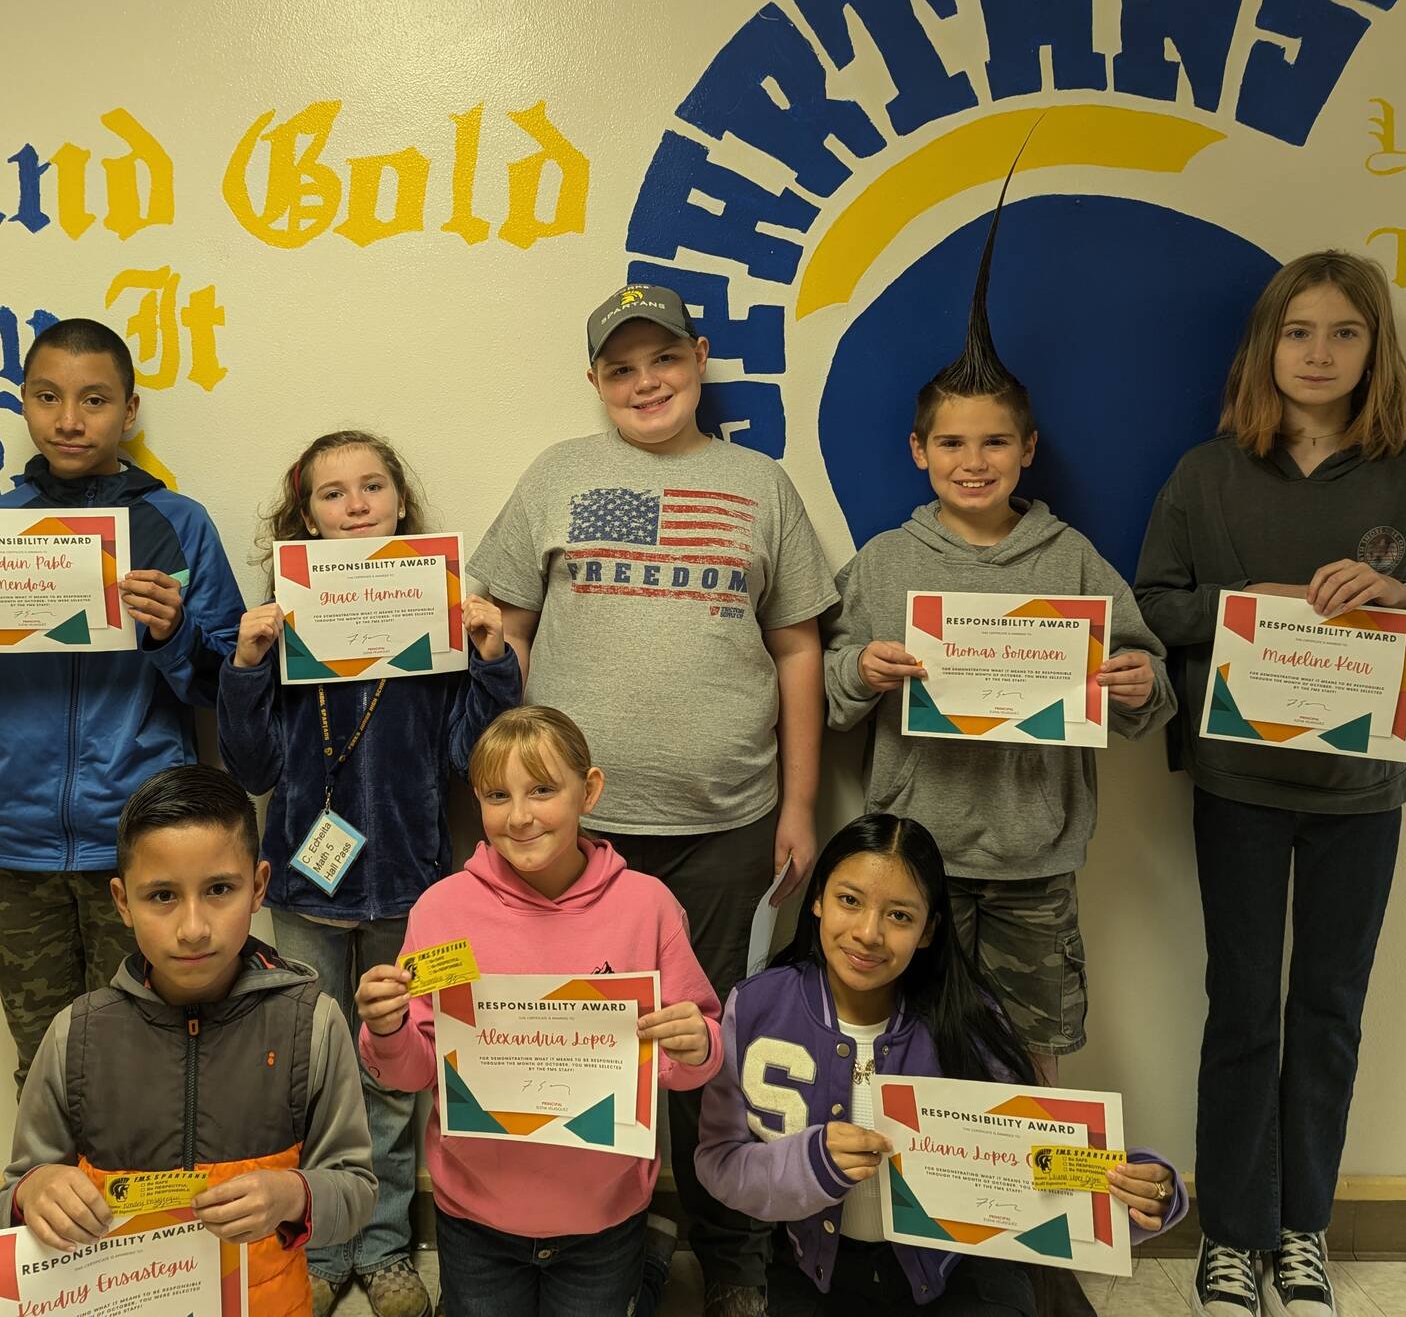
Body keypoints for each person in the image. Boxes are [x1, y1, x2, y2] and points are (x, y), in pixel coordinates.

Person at [470, 285, 838, 1315]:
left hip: (726, 822)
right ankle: (609, 1246)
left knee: (705, 1047)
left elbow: (798, 644)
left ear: (699, 359)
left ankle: (730, 1255)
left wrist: (798, 805)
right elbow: (502, 619)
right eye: (620, 368)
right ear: (595, 382)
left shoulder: (757, 484)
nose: (645, 382)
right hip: (570, 834)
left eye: (662, 359)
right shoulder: (559, 477)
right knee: (580, 1045)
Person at [1134, 249, 1406, 1317]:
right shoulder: (1205, 472)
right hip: (1235, 776)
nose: (1317, 354)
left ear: (1373, 350)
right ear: (1263, 348)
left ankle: (1298, 1228)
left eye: (1342, 333)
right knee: (1241, 1007)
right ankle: (1228, 1236)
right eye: (1297, 332)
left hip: (1359, 790)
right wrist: (1254, 605)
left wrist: (1398, 594)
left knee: (1327, 1007)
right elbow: (1153, 603)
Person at [822, 179, 1173, 1084]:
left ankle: (1018, 1220)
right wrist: (860, 668)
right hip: (909, 858)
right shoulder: (885, 562)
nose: (972, 463)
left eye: (992, 445)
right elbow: (824, 693)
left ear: (1027, 450)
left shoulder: (1074, 560)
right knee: (899, 1050)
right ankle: (907, 1219)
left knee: (1027, 1058)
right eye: (951, 445)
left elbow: (1145, 684)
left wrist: (1137, 684)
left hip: (1033, 863)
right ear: (918, 452)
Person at [0, 318, 244, 1092]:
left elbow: (225, 684)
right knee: (44, 1067)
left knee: (157, 1061)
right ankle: (53, 1214)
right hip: (17, 840)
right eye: (48, 397)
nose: (69, 420)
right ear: (23, 404)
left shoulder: (178, 524)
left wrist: (172, 633)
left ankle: (153, 1217)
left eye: (94, 399)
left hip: (144, 844)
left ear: (129, 411)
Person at [217, 429, 521, 1317]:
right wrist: (246, 665)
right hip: (307, 887)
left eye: (373, 487)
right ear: (302, 515)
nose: (355, 505)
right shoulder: (283, 619)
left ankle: (385, 1245)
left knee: (399, 1070)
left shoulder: (442, 610)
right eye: (332, 494)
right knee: (310, 1069)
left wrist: (493, 659)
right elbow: (253, 770)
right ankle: (319, 1244)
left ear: (400, 503)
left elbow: (475, 755)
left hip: (421, 887)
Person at [696, 813, 1185, 1314]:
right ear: (817, 899)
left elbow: (1034, 1159)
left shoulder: (967, 1019)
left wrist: (1137, 1191)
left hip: (957, 1274)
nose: (868, 933)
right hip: (814, 1273)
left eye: (899, 916)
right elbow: (720, 1161)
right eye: (849, 900)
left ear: (928, 931)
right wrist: (810, 1163)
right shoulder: (756, 1007)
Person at [355, 706, 722, 1316]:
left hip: (604, 1216)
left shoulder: (647, 908)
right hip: (474, 1215)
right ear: (476, 801)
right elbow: (412, 1072)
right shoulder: (442, 912)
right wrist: (387, 1028)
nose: (520, 816)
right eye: (498, 795)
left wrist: (698, 1045)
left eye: (543, 790)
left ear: (590, 790)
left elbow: (690, 1060)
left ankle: (648, 1267)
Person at [0, 764, 377, 1317]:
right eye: (162, 896)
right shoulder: (75, 1034)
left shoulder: (313, 1024)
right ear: (122, 903)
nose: (193, 927)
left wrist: (294, 1195)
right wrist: (36, 1192)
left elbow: (357, 1191)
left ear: (259, 888)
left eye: (219, 889)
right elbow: (12, 1195)